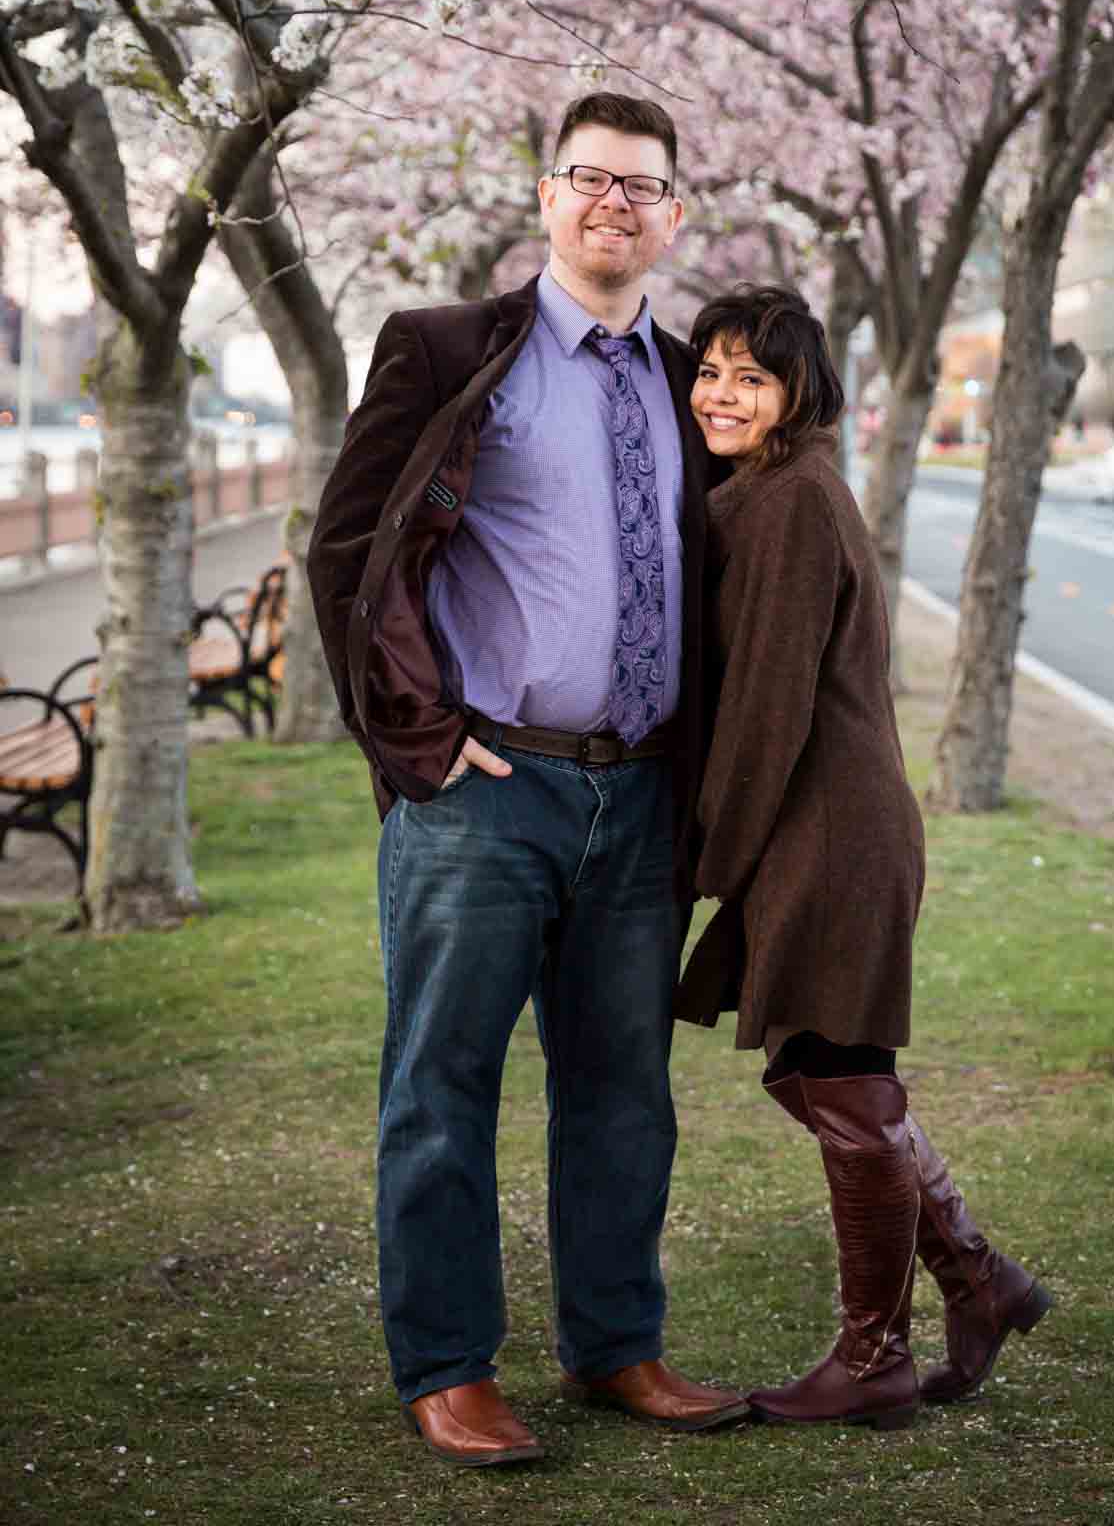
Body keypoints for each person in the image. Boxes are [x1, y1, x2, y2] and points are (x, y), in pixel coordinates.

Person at [307, 94, 748, 1469]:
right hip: (487, 792)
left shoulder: (695, 383)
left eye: (644, 186)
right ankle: (446, 1366)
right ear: (547, 198)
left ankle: (615, 1346)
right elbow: (345, 553)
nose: (615, 202)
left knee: (624, 1089)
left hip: (639, 795)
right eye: (591, 178)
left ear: (675, 217)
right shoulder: (448, 352)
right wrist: (418, 739)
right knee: (442, 1083)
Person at [675, 284, 1052, 1432]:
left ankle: (875, 1356)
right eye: (709, 370)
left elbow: (766, 709)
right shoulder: (763, 490)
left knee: (841, 1076)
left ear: (798, 392)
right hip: (819, 823)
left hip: (828, 829)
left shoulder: (790, 502)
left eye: (752, 376)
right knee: (821, 1073)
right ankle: (978, 1278)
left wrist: (701, 861)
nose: (722, 394)